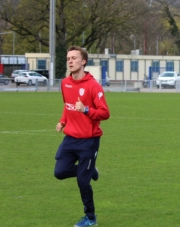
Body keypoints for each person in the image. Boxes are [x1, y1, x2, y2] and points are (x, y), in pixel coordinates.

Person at [54, 46, 110, 227]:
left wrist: (86, 110)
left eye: (74, 58)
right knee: (60, 172)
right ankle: (90, 169)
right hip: (70, 138)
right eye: (68, 58)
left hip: (89, 140)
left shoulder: (93, 86)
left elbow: (105, 113)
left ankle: (90, 217)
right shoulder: (64, 83)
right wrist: (63, 122)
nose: (70, 61)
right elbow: (67, 105)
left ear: (83, 62)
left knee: (82, 181)